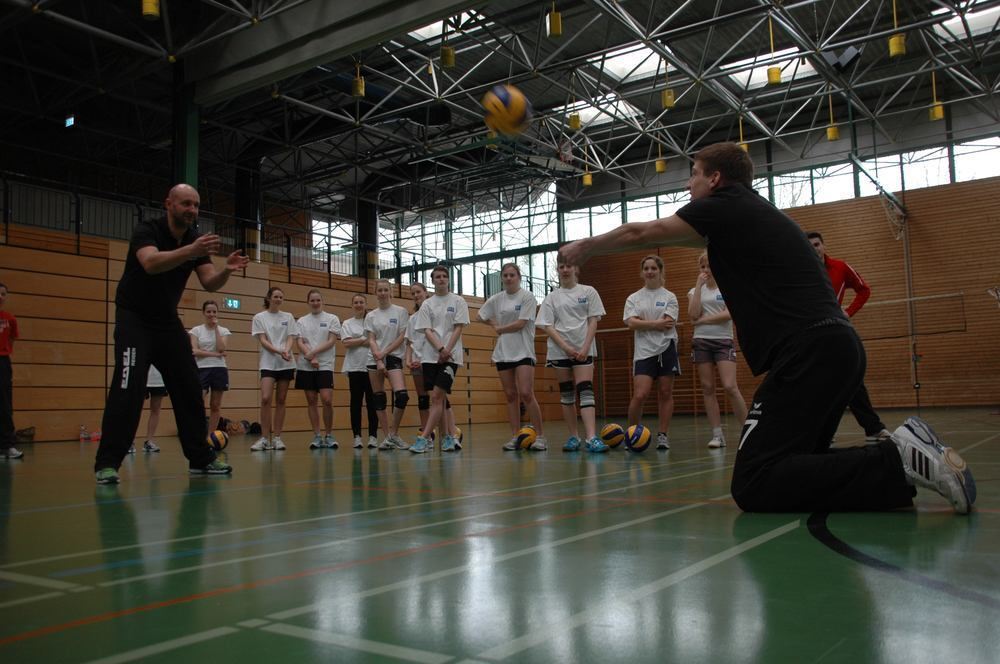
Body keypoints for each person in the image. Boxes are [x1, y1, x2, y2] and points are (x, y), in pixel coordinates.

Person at [558, 142, 976, 513]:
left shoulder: (724, 206)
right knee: (797, 459)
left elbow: (641, 232)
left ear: (716, 179)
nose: (688, 187)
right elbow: (671, 240)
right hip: (835, 348)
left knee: (754, 481)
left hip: (809, 351)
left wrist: (587, 246)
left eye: (694, 176)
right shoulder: (749, 214)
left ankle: (897, 458)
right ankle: (900, 472)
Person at [94, 183, 245, 484]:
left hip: (166, 322)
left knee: (189, 386)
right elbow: (150, 263)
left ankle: (200, 458)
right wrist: (192, 250)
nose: (192, 210)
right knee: (128, 388)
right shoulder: (147, 230)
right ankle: (107, 463)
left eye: (196, 205)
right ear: (169, 204)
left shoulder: (194, 240)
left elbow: (209, 283)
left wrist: (226, 269)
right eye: (186, 204)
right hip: (134, 318)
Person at [807, 231, 892, 443]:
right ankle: (823, 432)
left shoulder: (841, 268)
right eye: (810, 246)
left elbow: (863, 290)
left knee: (852, 377)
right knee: (820, 383)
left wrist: (848, 311)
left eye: (817, 244)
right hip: (812, 335)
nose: (814, 249)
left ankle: (872, 428)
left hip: (837, 331)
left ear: (823, 246)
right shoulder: (802, 271)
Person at [536, 260, 608, 453]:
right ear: (557, 271)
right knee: (567, 393)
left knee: (585, 391)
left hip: (584, 349)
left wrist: (585, 348)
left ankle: (591, 437)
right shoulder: (551, 298)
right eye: (561, 267)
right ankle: (573, 436)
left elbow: (593, 321)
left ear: (576, 269)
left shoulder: (589, 291)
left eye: (569, 266)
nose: (565, 270)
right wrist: (566, 348)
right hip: (560, 351)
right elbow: (547, 326)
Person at [479, 263, 547, 451]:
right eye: (505, 275)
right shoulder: (497, 299)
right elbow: (480, 316)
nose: (509, 278)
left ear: (519, 277)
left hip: (524, 351)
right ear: (502, 278)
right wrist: (494, 323)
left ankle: (541, 436)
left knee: (526, 393)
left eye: (512, 275)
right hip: (503, 352)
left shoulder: (527, 297)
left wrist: (500, 328)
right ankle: (515, 435)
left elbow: (521, 323)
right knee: (510, 395)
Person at [688, 251, 747, 448]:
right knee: (707, 388)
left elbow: (729, 314)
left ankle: (748, 432)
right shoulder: (694, 291)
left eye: (710, 266)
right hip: (701, 341)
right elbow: (692, 314)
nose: (706, 270)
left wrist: (703, 320)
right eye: (703, 266)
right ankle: (717, 434)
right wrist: (698, 286)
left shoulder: (727, 287)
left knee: (730, 386)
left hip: (723, 340)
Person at [410, 266, 470, 454]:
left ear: (449, 279)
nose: (442, 279)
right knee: (440, 399)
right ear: (433, 280)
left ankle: (424, 437)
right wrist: (439, 348)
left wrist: (447, 350)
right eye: (438, 277)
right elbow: (427, 330)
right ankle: (448, 438)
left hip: (451, 357)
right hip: (430, 357)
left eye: (445, 276)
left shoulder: (458, 301)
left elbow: (459, 327)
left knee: (436, 397)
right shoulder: (427, 304)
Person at [624, 255, 680, 451]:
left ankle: (662, 436)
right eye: (646, 268)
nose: (649, 271)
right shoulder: (634, 298)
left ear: (660, 271)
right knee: (640, 394)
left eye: (653, 268)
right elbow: (631, 323)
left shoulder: (670, 297)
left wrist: (643, 323)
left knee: (665, 392)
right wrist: (656, 323)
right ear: (642, 272)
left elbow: (668, 324)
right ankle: (631, 434)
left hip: (667, 348)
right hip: (644, 351)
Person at [251, 286, 298, 451]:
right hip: (268, 363)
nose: (278, 299)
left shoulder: (288, 317)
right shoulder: (259, 317)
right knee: (265, 398)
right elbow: (263, 340)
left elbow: (291, 337)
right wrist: (279, 351)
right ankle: (264, 438)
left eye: (281, 297)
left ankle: (277, 437)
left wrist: (286, 350)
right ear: (269, 298)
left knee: (281, 400)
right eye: (276, 296)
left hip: (286, 363)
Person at [365, 279, 410, 450]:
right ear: (375, 292)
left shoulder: (401, 312)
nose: (383, 293)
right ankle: (386, 438)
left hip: (393, 356)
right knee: (379, 398)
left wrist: (384, 354)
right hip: (373, 358)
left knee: (402, 395)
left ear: (390, 291)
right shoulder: (371, 316)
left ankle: (394, 433)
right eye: (380, 290)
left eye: (385, 290)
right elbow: (371, 338)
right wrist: (378, 359)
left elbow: (401, 337)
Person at [296, 289, 342, 449]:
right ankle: (317, 435)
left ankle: (329, 435)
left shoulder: (332, 319)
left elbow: (331, 341)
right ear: (308, 302)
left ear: (322, 302)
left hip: (325, 364)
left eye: (318, 300)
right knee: (311, 400)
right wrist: (310, 357)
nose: (315, 303)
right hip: (305, 365)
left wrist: (313, 354)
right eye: (312, 300)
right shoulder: (301, 321)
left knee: (327, 399)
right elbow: (300, 342)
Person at [341, 294, 379, 449]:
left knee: (372, 402)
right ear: (352, 305)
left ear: (365, 304)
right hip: (354, 367)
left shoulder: (372, 321)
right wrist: (365, 340)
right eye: (355, 302)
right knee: (355, 403)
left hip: (371, 366)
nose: (358, 304)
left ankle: (373, 436)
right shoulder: (347, 324)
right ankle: (357, 436)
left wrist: (358, 340)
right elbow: (346, 343)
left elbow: (376, 341)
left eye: (361, 302)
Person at [189, 300, 231, 434]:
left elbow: (221, 348)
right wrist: (215, 354)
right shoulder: (196, 330)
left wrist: (216, 328)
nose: (211, 314)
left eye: (214, 311)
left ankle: (210, 435)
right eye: (208, 311)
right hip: (202, 369)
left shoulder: (223, 330)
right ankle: (198, 432)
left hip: (219, 369)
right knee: (198, 401)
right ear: (203, 313)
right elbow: (194, 351)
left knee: (215, 405)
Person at [405, 283, 433, 439]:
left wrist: (424, 360)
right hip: (416, 363)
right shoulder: (412, 319)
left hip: (431, 361)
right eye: (413, 293)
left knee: (438, 397)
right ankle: (426, 433)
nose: (416, 295)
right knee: (423, 398)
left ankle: (447, 432)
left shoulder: (433, 314)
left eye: (419, 292)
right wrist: (408, 360)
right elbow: (409, 342)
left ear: (425, 293)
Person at [0, 282, 22, 460]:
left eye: (3, 294)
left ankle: (7, 445)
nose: (1, 296)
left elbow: (12, 340)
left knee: (5, 404)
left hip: (2, 362)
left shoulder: (10, 318)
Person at [130, 366, 165, 454]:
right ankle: (130, 442)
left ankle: (149, 442)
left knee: (155, 410)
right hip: (141, 378)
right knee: (135, 410)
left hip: (159, 380)